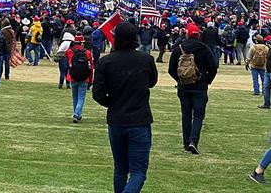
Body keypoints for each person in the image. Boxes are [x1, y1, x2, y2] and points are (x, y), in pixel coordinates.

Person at [92, 22, 158, 193]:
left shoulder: (106, 62)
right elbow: (152, 82)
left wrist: (113, 103)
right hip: (139, 120)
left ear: (115, 39)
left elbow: (98, 94)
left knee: (120, 169)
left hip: (117, 119)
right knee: (138, 171)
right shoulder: (146, 59)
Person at [168, 22, 217, 154]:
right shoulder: (205, 49)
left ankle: (186, 143)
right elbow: (213, 67)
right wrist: (207, 80)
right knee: (199, 116)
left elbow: (171, 69)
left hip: (184, 86)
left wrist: (180, 80)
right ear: (199, 35)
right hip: (200, 86)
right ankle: (193, 141)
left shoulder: (179, 49)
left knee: (186, 115)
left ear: (187, 34)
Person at [66, 34, 94, 123]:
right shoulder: (87, 53)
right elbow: (91, 67)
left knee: (75, 97)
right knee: (81, 97)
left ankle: (76, 113)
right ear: (82, 43)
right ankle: (77, 114)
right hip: (84, 78)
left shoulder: (70, 51)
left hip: (73, 77)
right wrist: (91, 79)